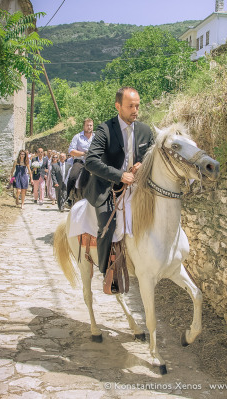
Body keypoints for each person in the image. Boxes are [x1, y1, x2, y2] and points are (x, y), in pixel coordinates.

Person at [84, 87, 153, 288]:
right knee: (108, 226)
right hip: (107, 189)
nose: (135, 110)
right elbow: (90, 161)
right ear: (118, 106)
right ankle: (107, 271)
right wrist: (119, 175)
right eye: (130, 106)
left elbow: (153, 156)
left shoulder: (145, 131)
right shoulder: (105, 129)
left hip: (138, 187)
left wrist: (143, 164)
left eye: (137, 105)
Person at [67, 118, 95, 203]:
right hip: (80, 162)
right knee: (73, 176)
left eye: (91, 125)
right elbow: (71, 151)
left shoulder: (96, 137)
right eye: (87, 125)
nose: (89, 127)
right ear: (84, 126)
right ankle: (69, 197)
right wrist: (83, 153)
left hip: (94, 162)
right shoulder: (77, 137)